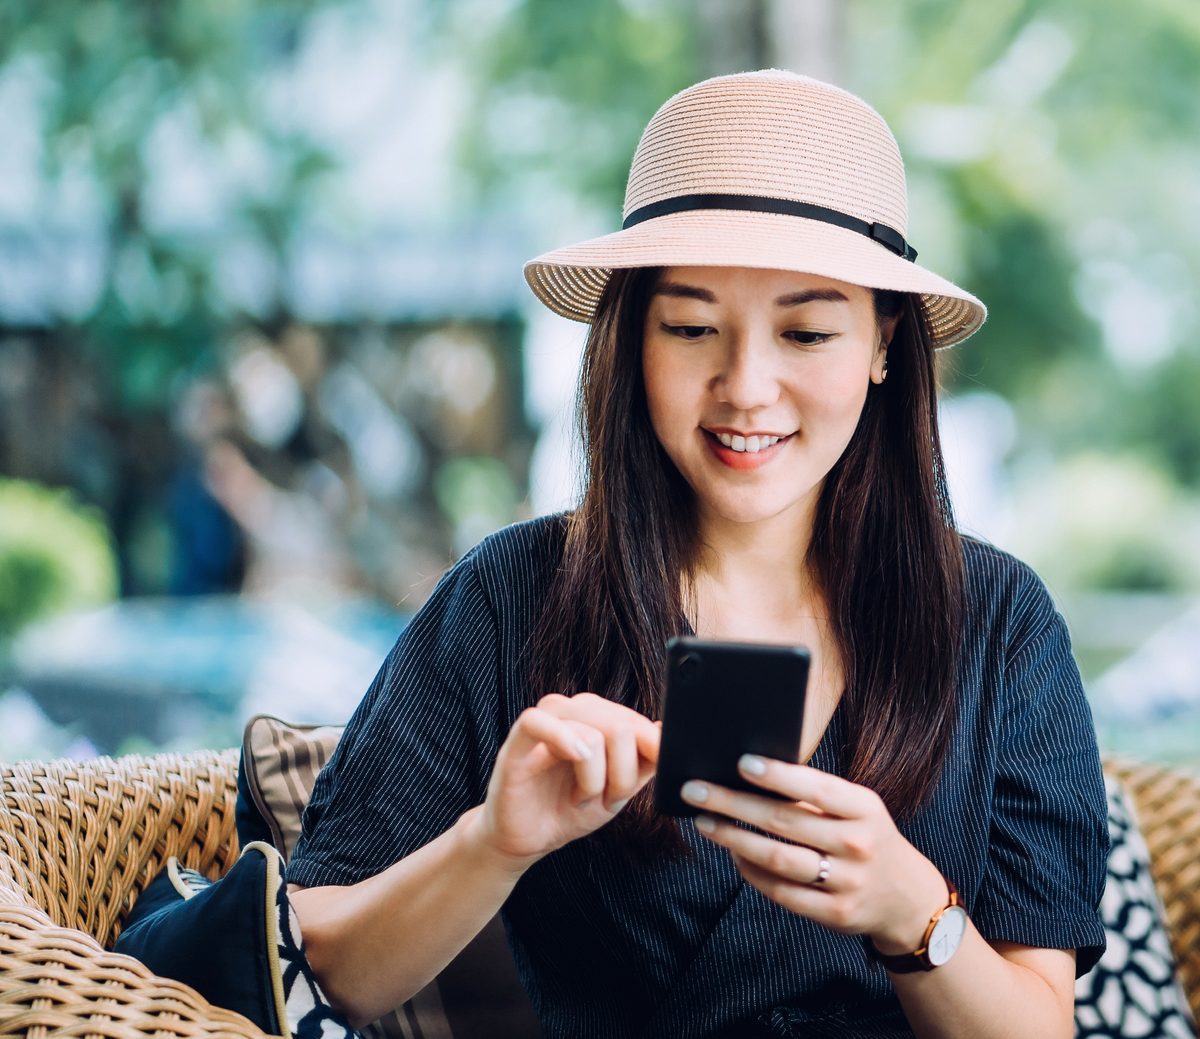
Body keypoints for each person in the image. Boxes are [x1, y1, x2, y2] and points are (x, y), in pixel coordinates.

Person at [285, 68, 1110, 1038]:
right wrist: (492, 842)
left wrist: (910, 912)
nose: (746, 387)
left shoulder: (998, 622)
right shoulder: (511, 597)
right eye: (690, 327)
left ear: (885, 345)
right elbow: (332, 962)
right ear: (631, 338)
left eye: (805, 331)